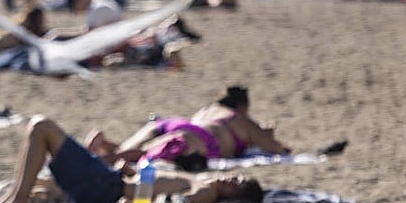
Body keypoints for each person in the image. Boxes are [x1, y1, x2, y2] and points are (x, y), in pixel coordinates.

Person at [0, 114, 264, 203]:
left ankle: (16, 201)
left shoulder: (205, 189)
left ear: (234, 192)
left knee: (41, 127)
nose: (233, 175)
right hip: (110, 182)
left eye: (238, 180)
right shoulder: (198, 178)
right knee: (35, 179)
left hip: (106, 188)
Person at [92, 85, 290, 168]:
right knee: (132, 156)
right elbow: (278, 149)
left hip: (171, 123)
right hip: (197, 138)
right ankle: (92, 163)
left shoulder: (210, 109)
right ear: (243, 106)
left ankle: (102, 145)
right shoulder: (239, 118)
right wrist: (267, 134)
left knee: (127, 153)